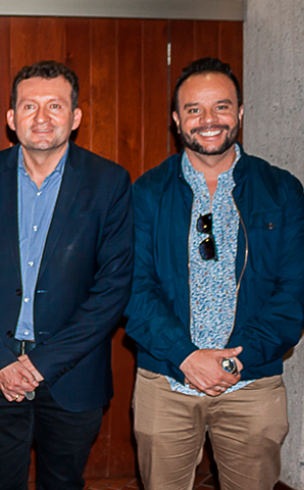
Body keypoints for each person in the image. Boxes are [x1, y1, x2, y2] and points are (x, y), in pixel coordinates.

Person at [0, 60, 133, 490]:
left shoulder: (109, 183)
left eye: (55, 105)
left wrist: (41, 363)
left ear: (76, 117)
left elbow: (112, 288)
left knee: (63, 483)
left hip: (73, 374)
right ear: (11, 117)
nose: (42, 117)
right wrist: (1, 362)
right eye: (29, 106)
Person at [126, 57, 304, 490]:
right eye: (194, 109)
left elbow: (294, 291)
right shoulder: (146, 193)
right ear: (176, 119)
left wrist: (232, 361)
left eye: (221, 107)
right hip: (165, 381)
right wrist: (186, 356)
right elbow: (133, 287)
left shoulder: (282, 191)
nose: (208, 120)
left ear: (239, 112)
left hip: (252, 382)